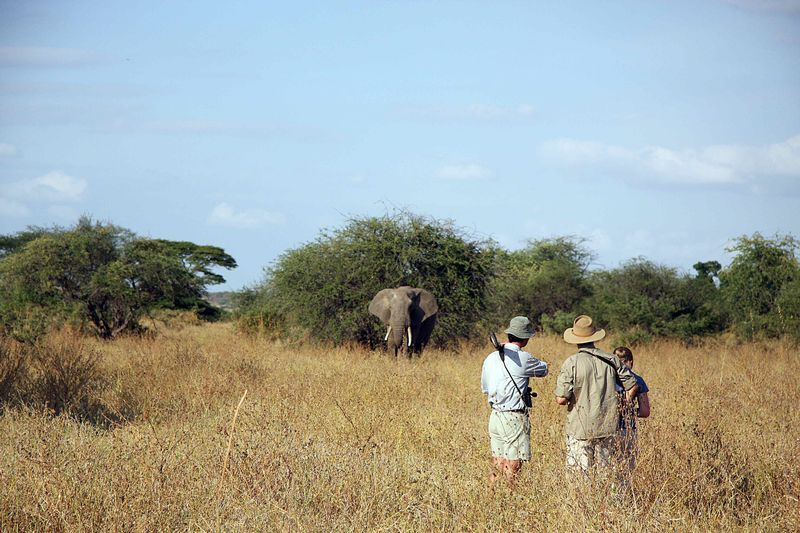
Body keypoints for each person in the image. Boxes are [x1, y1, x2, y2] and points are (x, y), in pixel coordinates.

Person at [554, 315, 638, 478]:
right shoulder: (611, 359)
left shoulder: (571, 362)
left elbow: (561, 399)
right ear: (594, 337)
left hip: (580, 429)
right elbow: (633, 384)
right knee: (604, 477)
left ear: (575, 339)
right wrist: (623, 404)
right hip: (607, 426)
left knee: (580, 478)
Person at [481, 316, 549, 489]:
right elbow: (544, 369)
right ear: (525, 338)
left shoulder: (490, 358)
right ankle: (511, 496)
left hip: (495, 415)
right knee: (513, 463)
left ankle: (493, 496)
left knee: (497, 460)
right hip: (514, 416)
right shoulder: (523, 358)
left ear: (510, 334)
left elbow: (486, 388)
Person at [613, 346, 650, 472]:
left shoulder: (606, 379)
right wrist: (628, 412)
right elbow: (645, 412)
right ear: (630, 362)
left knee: (608, 470)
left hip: (607, 429)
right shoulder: (638, 381)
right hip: (628, 429)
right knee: (627, 470)